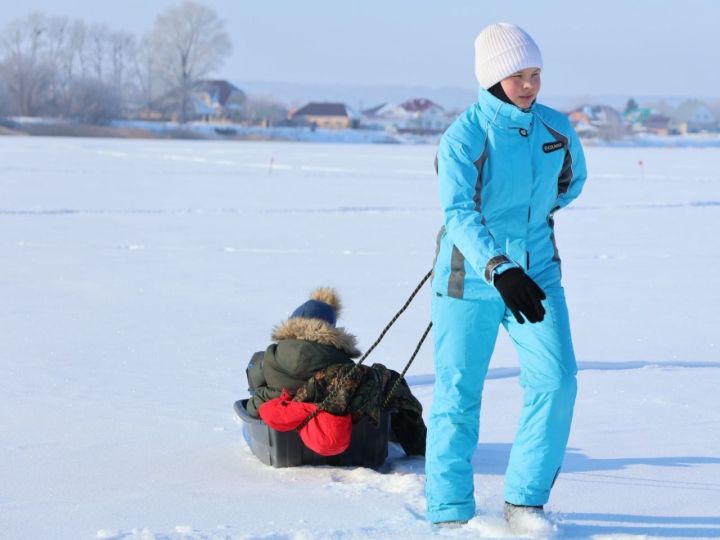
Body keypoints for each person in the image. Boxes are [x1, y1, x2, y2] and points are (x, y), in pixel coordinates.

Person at [426, 22, 587, 526]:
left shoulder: (555, 129)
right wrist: (499, 265)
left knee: (556, 380)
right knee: (457, 394)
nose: (529, 85)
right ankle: (450, 513)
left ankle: (525, 500)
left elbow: (571, 181)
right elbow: (458, 213)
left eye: (535, 73)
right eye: (518, 75)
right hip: (468, 279)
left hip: (537, 274)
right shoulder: (464, 135)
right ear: (494, 77)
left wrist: (530, 228)